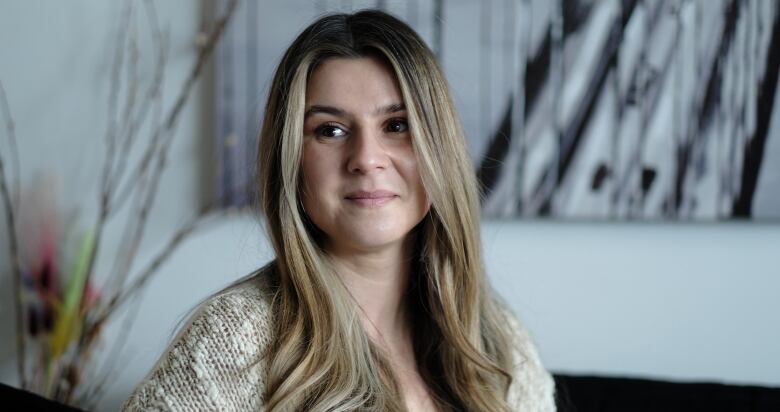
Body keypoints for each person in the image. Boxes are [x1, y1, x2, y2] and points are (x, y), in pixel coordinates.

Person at [122, 9, 555, 412]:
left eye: (397, 125)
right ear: (291, 160)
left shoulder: (496, 344)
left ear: (440, 149)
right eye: (330, 130)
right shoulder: (236, 342)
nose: (366, 158)